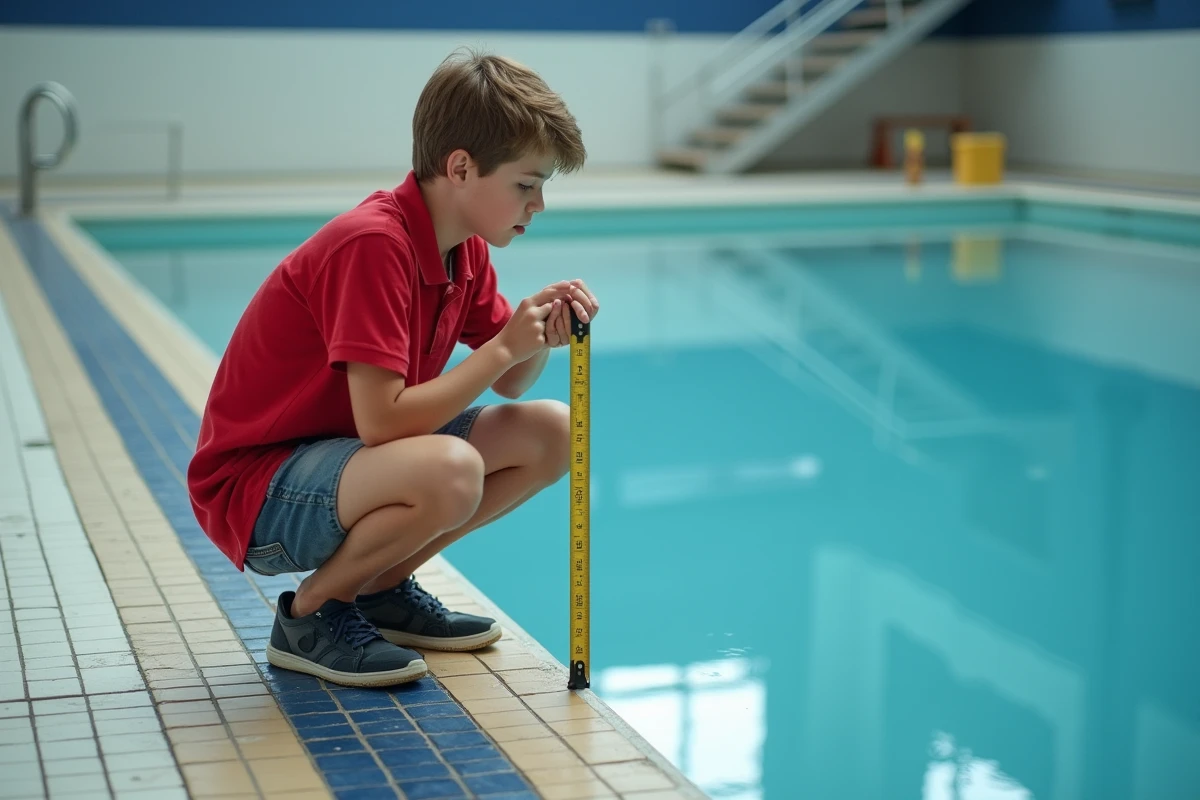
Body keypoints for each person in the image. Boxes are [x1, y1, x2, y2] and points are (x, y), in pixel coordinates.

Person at [186, 48, 597, 687]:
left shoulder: (461, 250)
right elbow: (382, 425)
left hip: (341, 467)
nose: (538, 203)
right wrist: (500, 349)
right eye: (526, 183)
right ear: (460, 167)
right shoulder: (374, 243)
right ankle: (311, 616)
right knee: (452, 469)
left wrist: (539, 333)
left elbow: (514, 379)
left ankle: (380, 588)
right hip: (257, 492)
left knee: (554, 432)